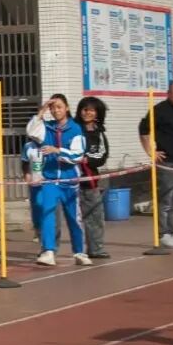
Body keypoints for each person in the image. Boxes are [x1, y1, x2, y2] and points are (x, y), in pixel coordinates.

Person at [26, 95, 91, 267]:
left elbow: (77, 155)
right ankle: (48, 251)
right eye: (52, 107)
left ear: (67, 108)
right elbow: (31, 131)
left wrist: (57, 150)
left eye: (59, 107)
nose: (55, 111)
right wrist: (42, 110)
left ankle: (79, 251)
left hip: (70, 181)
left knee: (73, 218)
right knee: (47, 213)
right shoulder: (47, 127)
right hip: (50, 180)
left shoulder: (75, 129)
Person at [138, 80, 173, 248]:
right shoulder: (159, 110)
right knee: (165, 201)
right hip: (167, 163)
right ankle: (163, 233)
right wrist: (150, 151)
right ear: (169, 93)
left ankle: (171, 231)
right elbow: (143, 129)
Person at [76, 96, 110, 258]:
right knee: (73, 218)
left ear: (97, 112)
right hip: (70, 180)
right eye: (84, 109)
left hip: (90, 181)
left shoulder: (99, 132)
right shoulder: (74, 128)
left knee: (95, 216)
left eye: (91, 110)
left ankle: (95, 248)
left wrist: (88, 159)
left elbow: (103, 156)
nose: (87, 113)